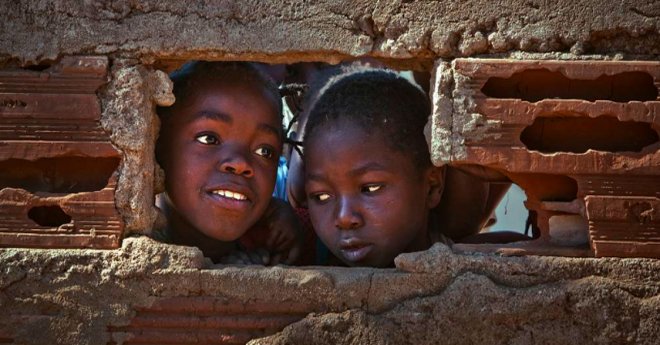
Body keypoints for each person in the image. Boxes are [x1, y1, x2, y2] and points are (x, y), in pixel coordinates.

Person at [154, 61, 302, 265]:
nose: (240, 163)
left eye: (264, 151)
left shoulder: (278, 245)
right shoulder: (123, 244)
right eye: (209, 139)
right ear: (156, 144)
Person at [301, 67, 447, 268]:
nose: (344, 217)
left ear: (431, 186)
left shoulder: (472, 275)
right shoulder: (305, 268)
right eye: (321, 197)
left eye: (370, 188)